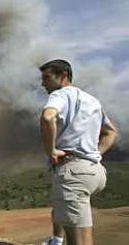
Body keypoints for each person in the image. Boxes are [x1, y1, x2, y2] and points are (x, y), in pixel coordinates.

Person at [39, 59, 118, 245]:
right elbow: (111, 132)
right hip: (95, 172)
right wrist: (95, 154)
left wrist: (51, 151)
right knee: (66, 214)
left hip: (74, 173)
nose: (43, 83)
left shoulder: (60, 94)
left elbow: (48, 117)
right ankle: (56, 241)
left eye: (47, 78)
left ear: (64, 76)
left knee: (79, 241)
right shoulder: (92, 100)